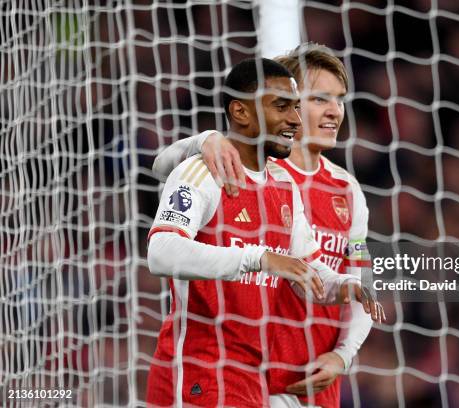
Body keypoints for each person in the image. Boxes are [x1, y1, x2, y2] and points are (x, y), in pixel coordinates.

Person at [153, 44, 381, 408]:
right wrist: (204, 140)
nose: (334, 111)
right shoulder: (234, 162)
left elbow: (350, 275)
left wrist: (344, 353)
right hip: (242, 371)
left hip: (311, 381)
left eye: (339, 99)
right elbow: (162, 169)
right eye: (318, 98)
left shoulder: (344, 191)